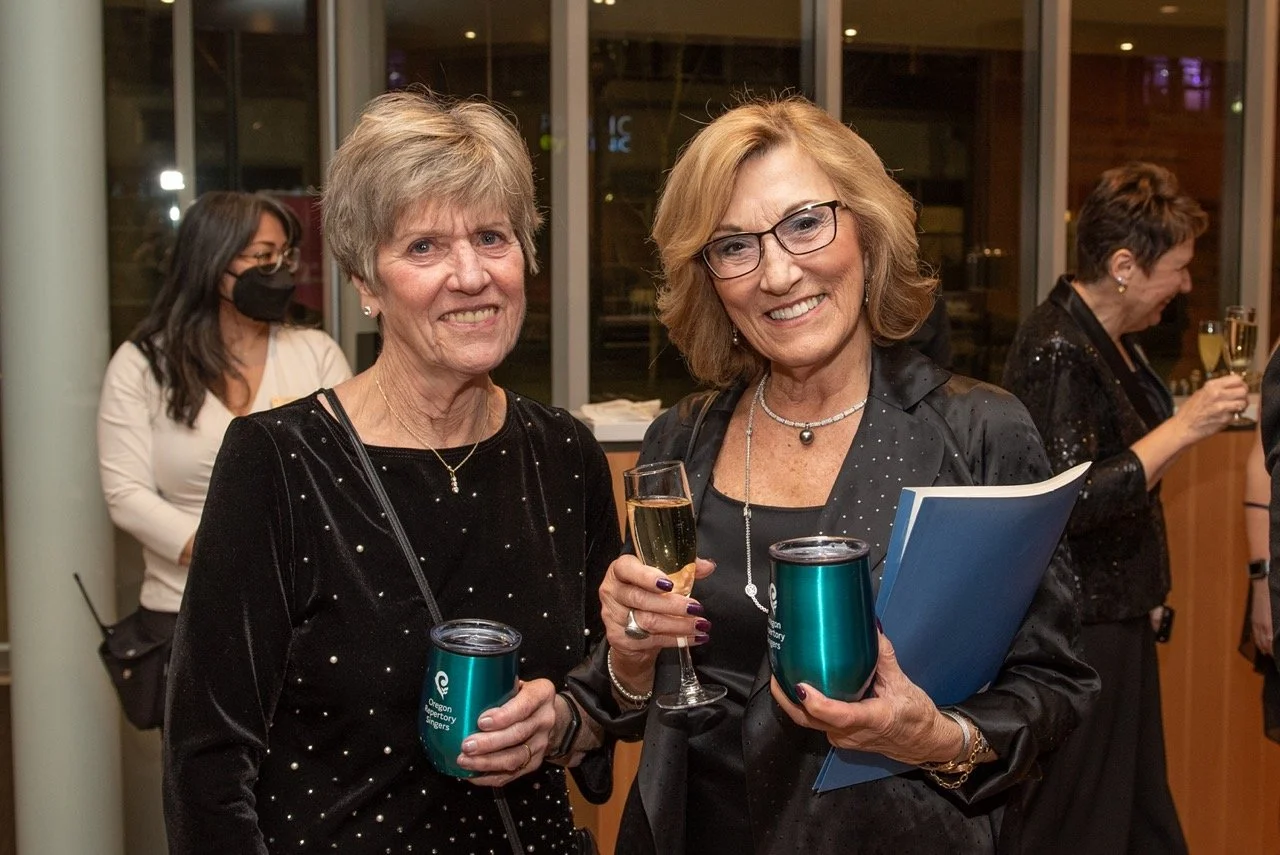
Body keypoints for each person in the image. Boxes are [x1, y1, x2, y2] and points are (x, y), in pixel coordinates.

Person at [565, 96, 1098, 855]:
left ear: (867, 231)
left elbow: (1055, 687)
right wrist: (628, 655)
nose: (779, 273)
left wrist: (934, 736)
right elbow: (625, 695)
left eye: (806, 223)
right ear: (709, 278)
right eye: (734, 246)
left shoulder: (978, 433)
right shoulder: (681, 439)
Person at [163, 90, 621, 852]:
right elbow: (206, 766)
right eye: (424, 247)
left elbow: (609, 691)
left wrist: (565, 721)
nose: (471, 275)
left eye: (492, 236)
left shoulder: (566, 455)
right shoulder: (278, 463)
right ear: (365, 284)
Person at [1003, 162, 1249, 853]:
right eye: (1178, 268)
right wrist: (1187, 426)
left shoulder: (1113, 340)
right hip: (1081, 628)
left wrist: (1147, 595)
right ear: (1122, 267)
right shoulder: (1057, 346)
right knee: (1089, 820)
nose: (1187, 285)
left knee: (1137, 815)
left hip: (1118, 613)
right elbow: (1069, 499)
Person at [97, 190, 353, 718]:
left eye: (284, 256)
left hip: (301, 614)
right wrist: (226, 553)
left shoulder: (316, 354)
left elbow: (345, 477)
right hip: (185, 613)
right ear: (213, 263)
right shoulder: (143, 366)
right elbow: (125, 494)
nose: (279, 271)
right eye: (262, 257)